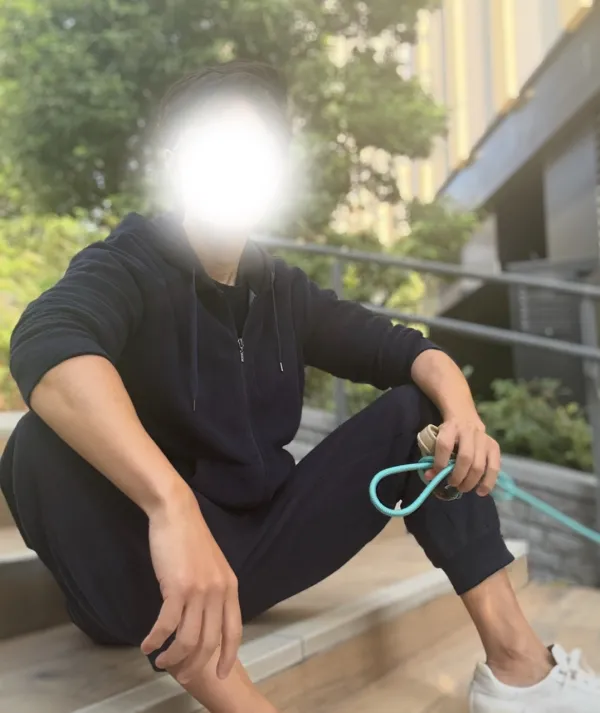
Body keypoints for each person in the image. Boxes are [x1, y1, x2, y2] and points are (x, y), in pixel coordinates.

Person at [1, 60, 598, 713]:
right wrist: (171, 506)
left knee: (421, 411)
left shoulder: (282, 290)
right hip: (149, 576)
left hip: (262, 545)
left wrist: (465, 420)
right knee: (37, 445)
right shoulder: (130, 262)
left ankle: (518, 669)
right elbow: (48, 342)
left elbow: (412, 351)